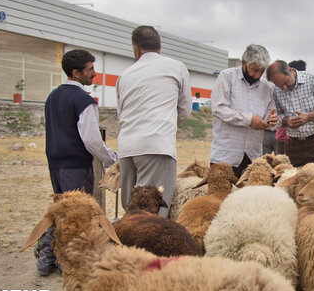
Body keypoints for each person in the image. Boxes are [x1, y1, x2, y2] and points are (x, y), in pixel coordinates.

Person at [40, 49, 118, 275]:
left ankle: (47, 259)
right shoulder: (84, 100)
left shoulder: (52, 97)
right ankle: (70, 263)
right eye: (90, 69)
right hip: (76, 165)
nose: (94, 74)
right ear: (75, 73)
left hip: (55, 163)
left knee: (61, 209)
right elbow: (92, 140)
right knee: (78, 215)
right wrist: (110, 159)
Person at [116, 25, 192, 216]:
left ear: (136, 49)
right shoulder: (176, 67)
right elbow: (184, 110)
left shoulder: (124, 75)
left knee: (130, 209)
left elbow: (121, 114)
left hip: (127, 147)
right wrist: (165, 127)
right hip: (157, 146)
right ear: (159, 46)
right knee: (152, 213)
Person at [210, 44, 278, 177]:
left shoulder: (267, 87)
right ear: (243, 63)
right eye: (254, 70)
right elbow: (218, 109)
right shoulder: (227, 77)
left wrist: (271, 121)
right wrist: (248, 120)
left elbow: (270, 115)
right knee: (219, 197)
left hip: (252, 158)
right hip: (226, 155)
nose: (257, 75)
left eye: (261, 71)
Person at [266, 60, 314, 166]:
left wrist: (308, 116)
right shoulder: (275, 90)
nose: (284, 88)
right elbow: (277, 116)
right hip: (293, 144)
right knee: (292, 178)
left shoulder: (313, 79)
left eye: (285, 82)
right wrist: (286, 121)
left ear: (290, 70)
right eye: (280, 86)